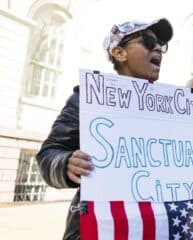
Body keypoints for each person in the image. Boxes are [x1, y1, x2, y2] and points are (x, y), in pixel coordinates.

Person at [36, 18, 173, 239]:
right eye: (148, 41)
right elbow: (48, 154)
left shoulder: (174, 110)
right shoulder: (88, 100)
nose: (157, 47)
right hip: (100, 227)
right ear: (119, 53)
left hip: (156, 228)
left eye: (161, 45)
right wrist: (66, 164)